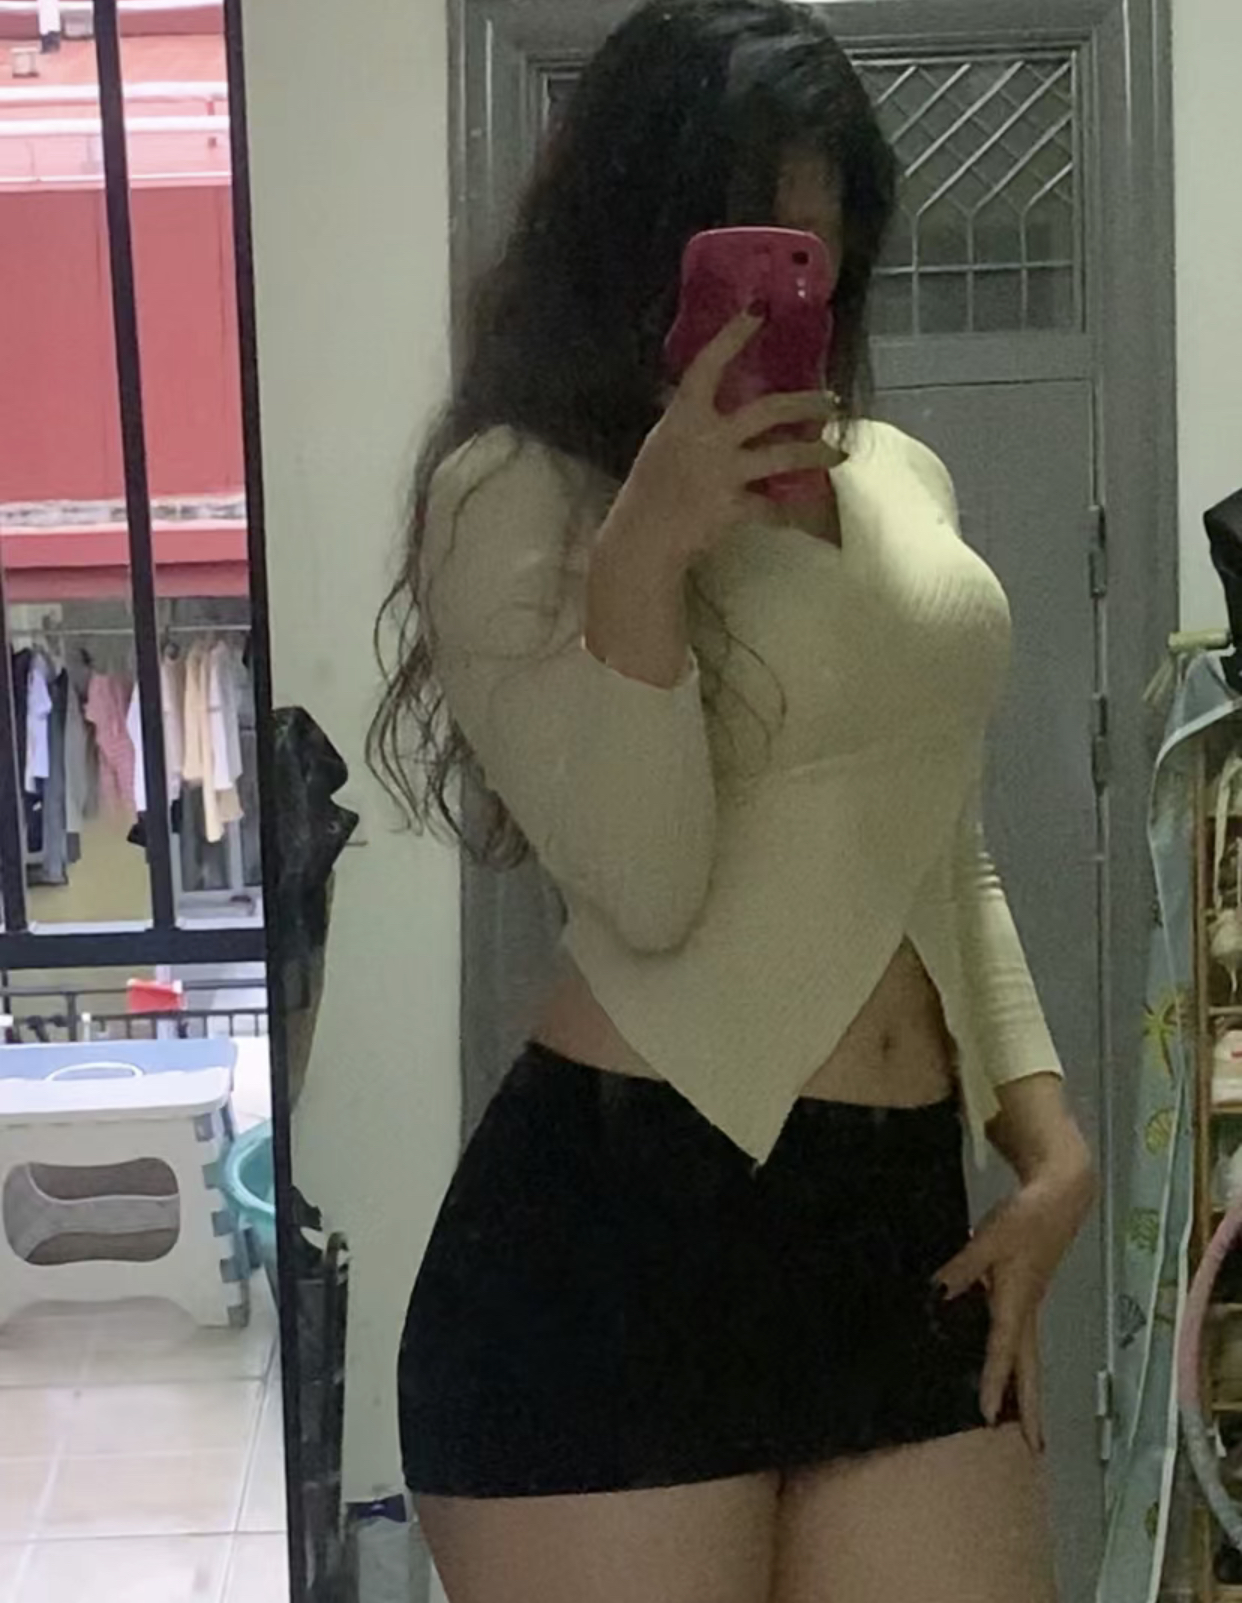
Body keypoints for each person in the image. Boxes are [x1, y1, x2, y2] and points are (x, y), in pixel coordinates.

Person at [369, 4, 1096, 1600]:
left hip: (895, 1229)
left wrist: (1046, 1149)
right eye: (753, 247)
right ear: (639, 244)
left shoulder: (895, 477)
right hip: (616, 1241)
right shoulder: (515, 492)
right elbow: (646, 888)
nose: (794, 299)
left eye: (821, 254)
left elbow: (940, 842)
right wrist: (646, 551)